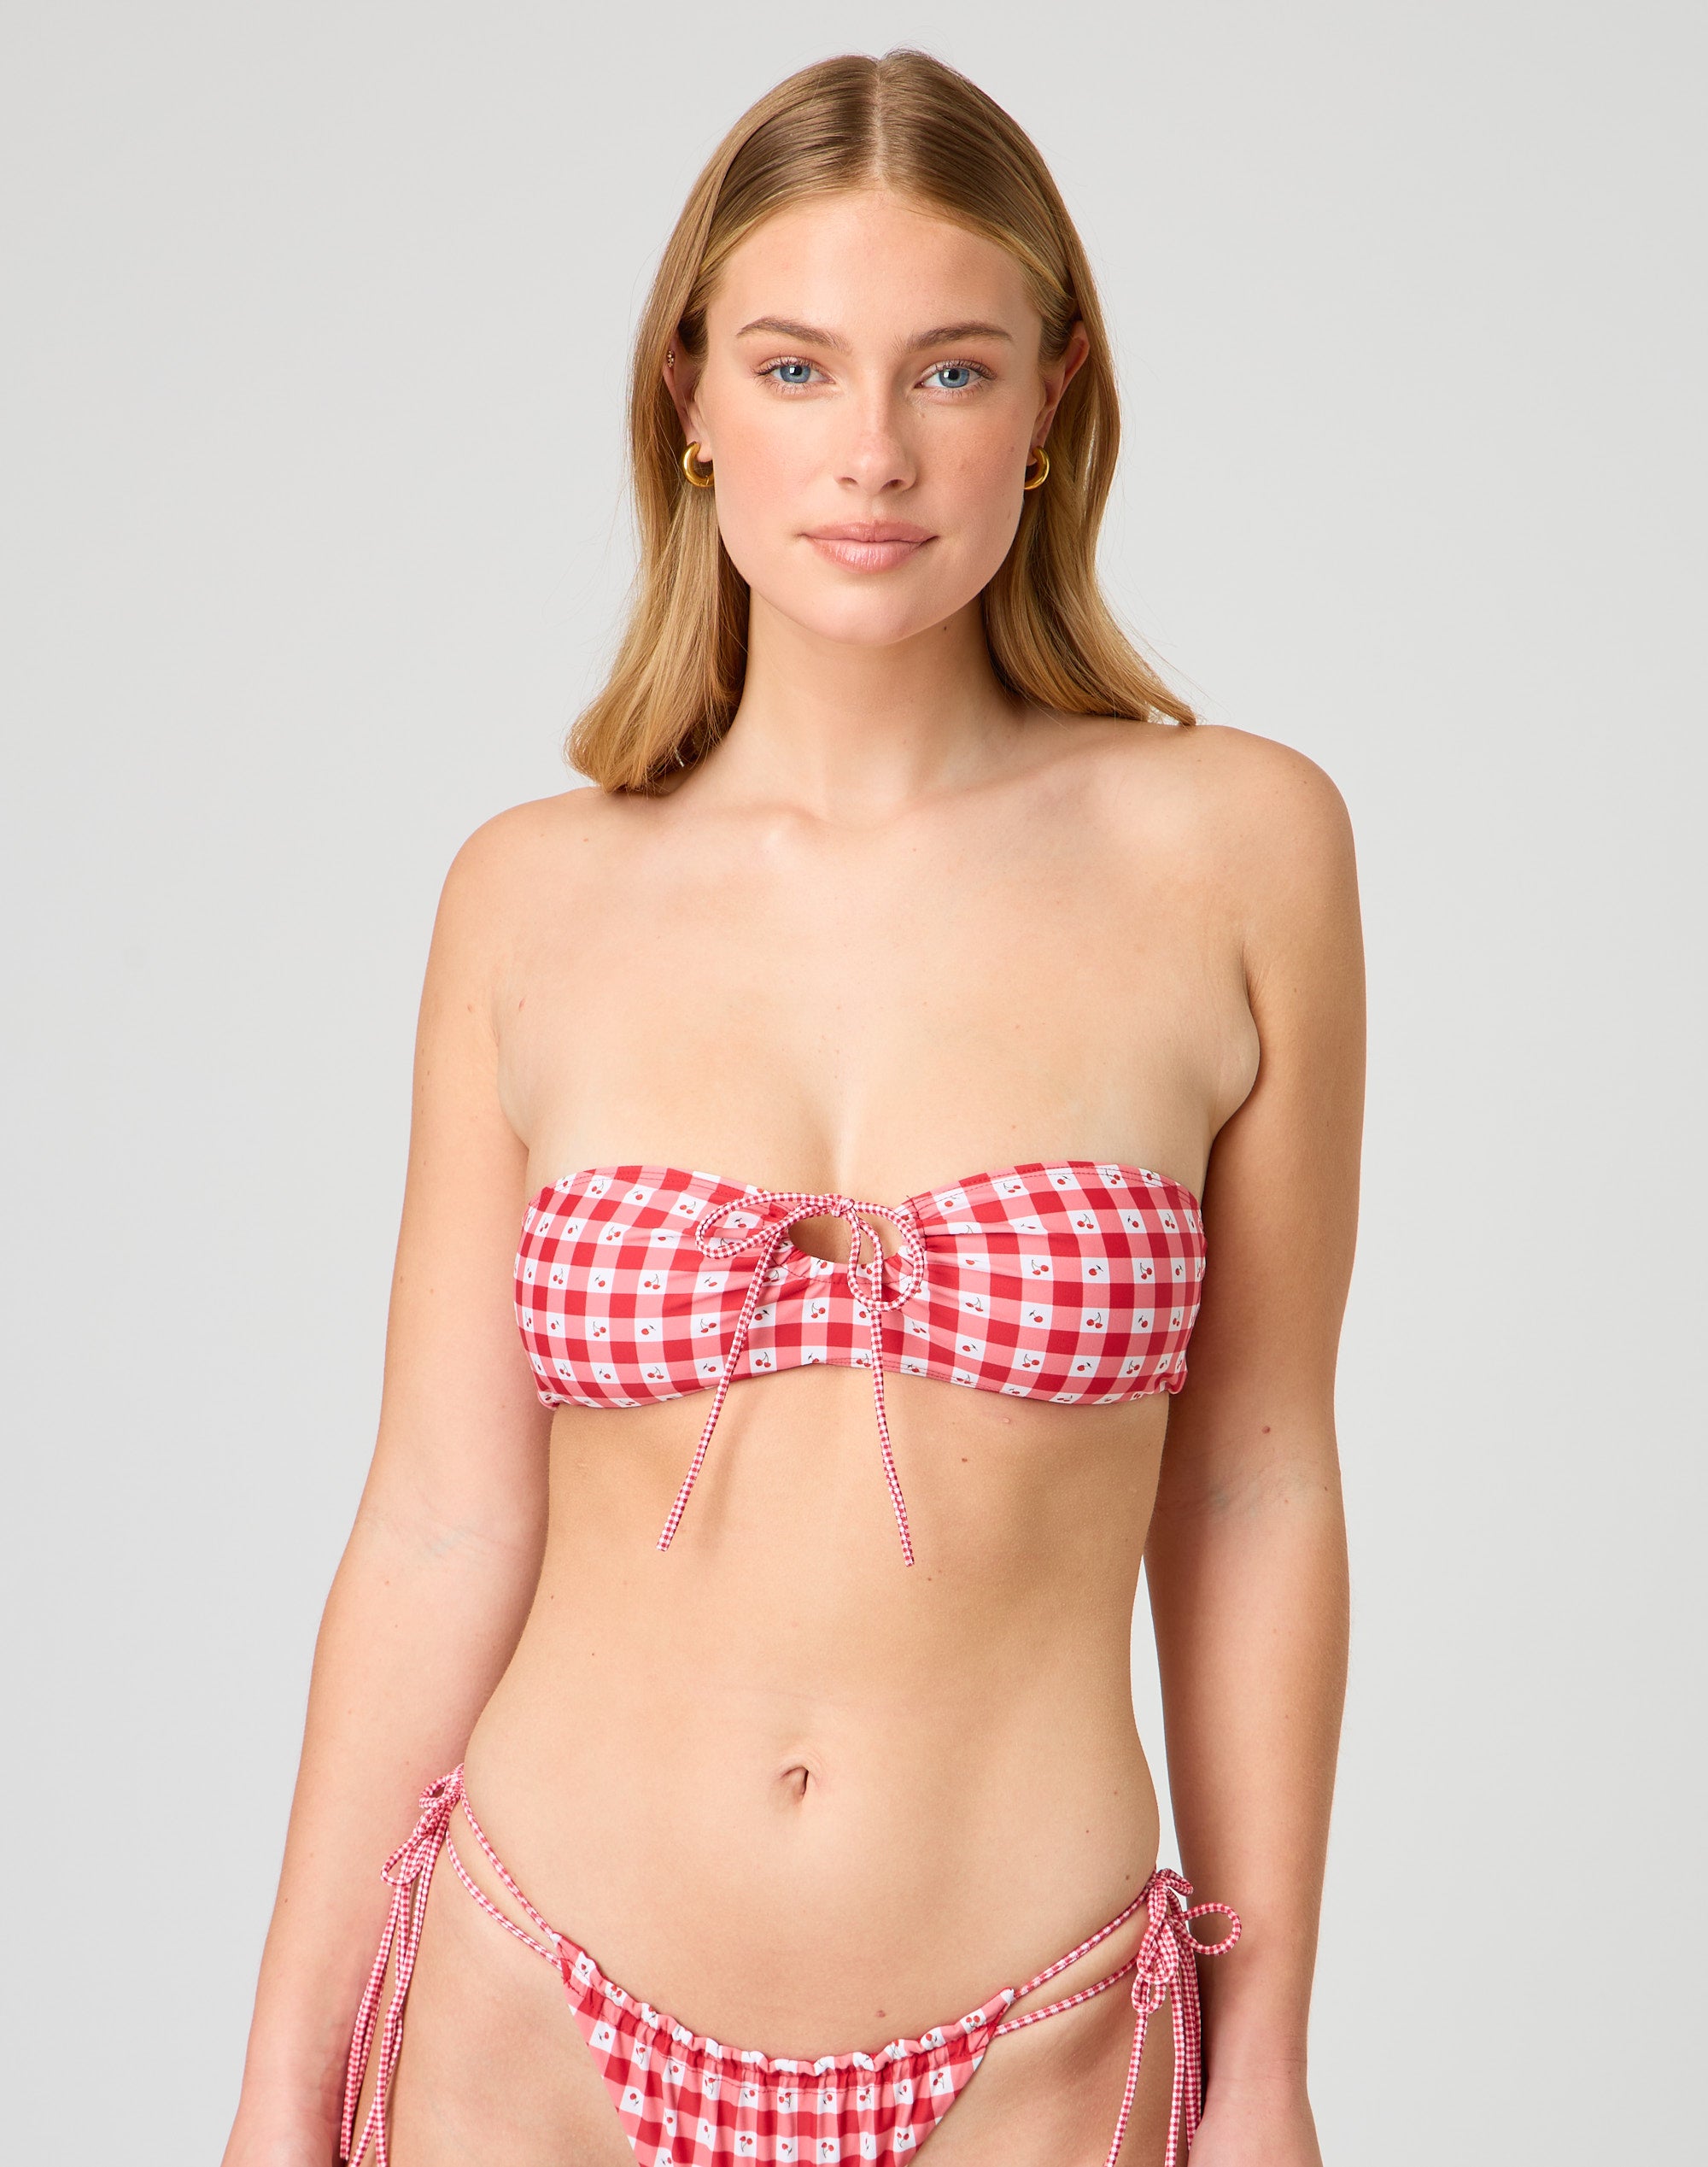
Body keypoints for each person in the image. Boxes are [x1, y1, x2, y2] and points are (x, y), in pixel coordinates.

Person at [222, 46, 1360, 2167]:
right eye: (794, 366)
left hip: (1038, 2039)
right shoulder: (530, 894)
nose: (871, 455)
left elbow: (1255, 1492)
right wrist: (283, 2085)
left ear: (1053, 402)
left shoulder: (1237, 850)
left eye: (950, 372)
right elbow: (440, 1518)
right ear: (690, 396)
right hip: (523, 2016)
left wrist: (1265, 2057)